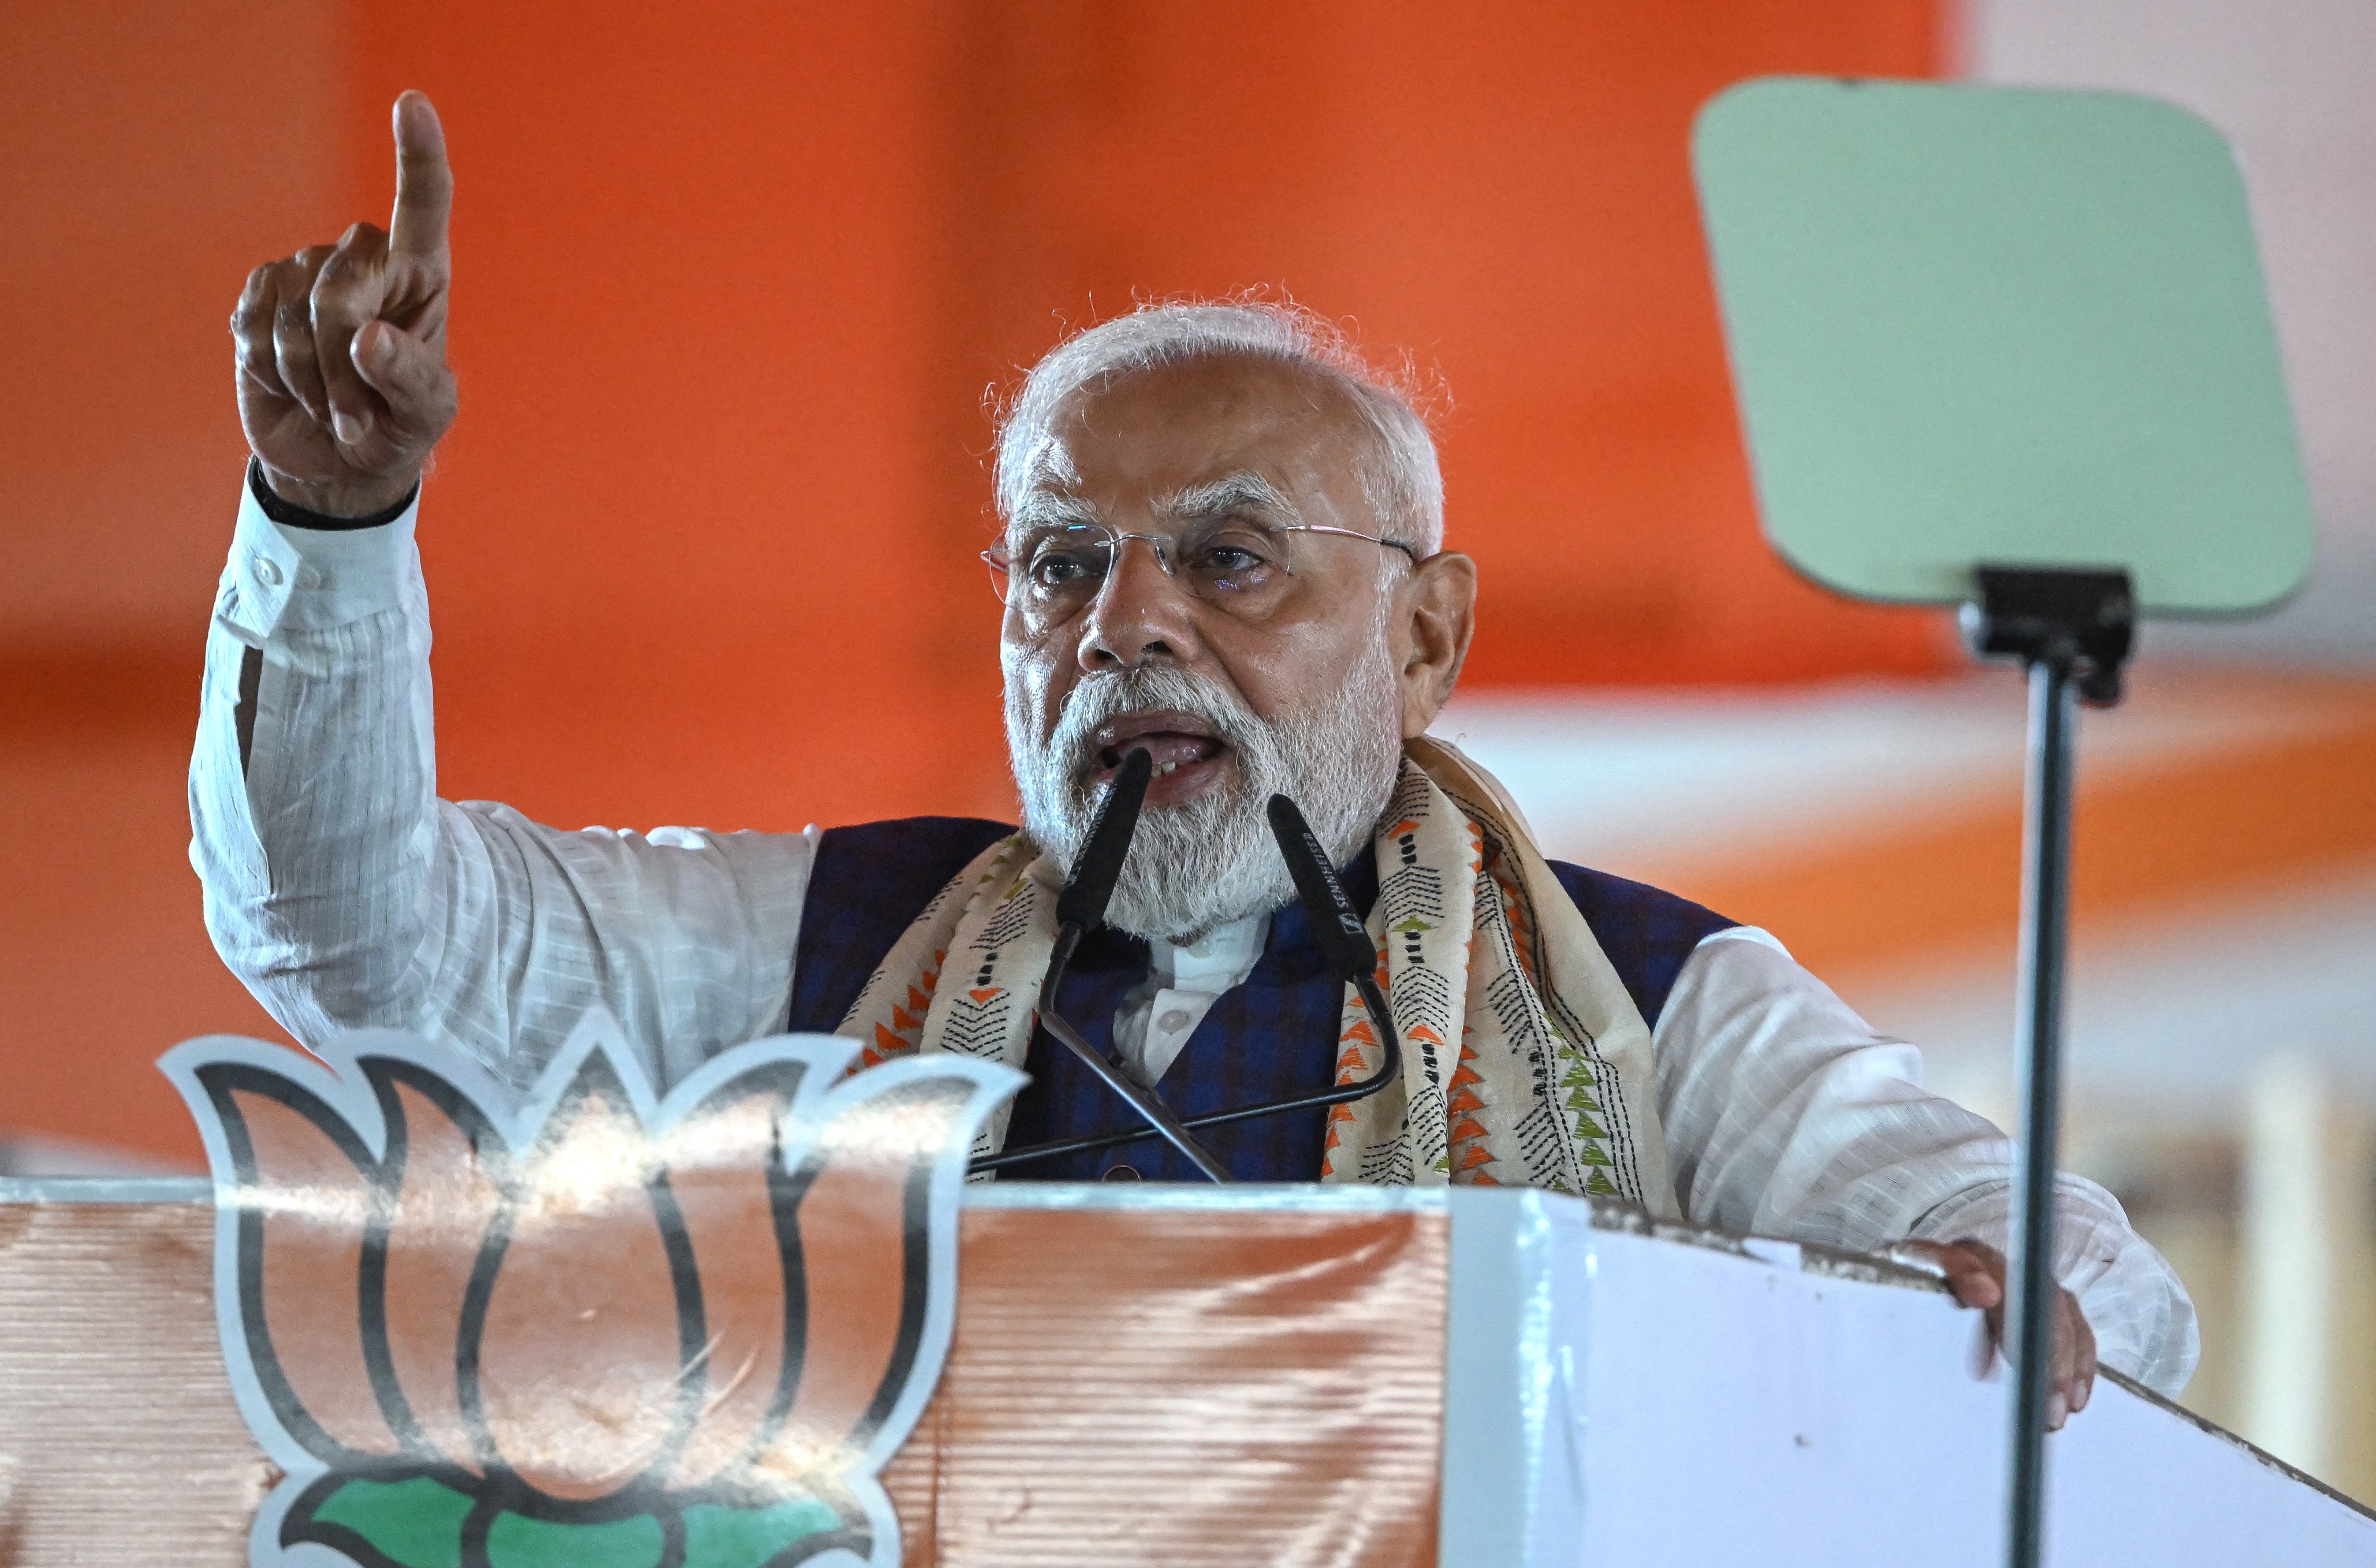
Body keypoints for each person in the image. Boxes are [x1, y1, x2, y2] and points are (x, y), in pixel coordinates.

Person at [194, 91, 2198, 1423]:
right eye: (1063, 564)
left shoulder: (1653, 999)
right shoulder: (844, 940)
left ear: (1429, 635)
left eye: (1228, 559)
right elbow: (370, 952)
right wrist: (328, 523)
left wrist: (2002, 1299)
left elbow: (2078, 1282)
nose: (1125, 626)